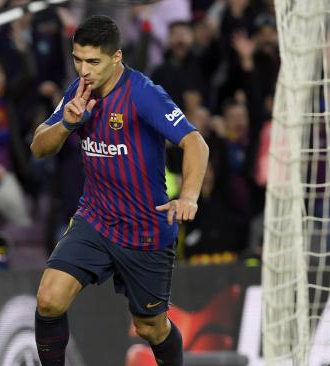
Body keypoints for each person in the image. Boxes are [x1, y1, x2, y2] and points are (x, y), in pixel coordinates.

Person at [30, 15, 209, 366]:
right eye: (77, 59)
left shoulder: (144, 94)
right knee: (49, 299)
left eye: (93, 62)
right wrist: (67, 123)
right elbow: (39, 147)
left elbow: (195, 142)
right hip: (95, 219)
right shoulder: (77, 93)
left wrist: (188, 196)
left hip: (145, 230)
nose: (84, 70)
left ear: (116, 58)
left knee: (150, 329)